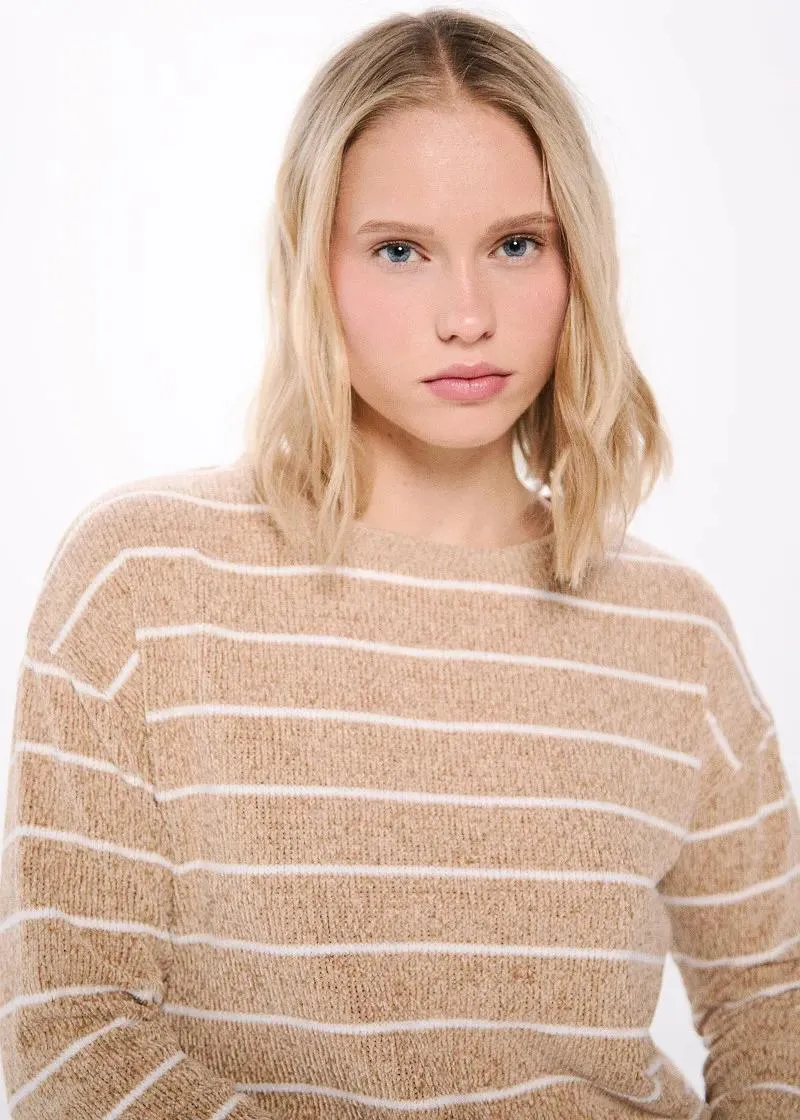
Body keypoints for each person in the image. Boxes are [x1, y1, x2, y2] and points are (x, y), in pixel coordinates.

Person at [1, 7, 797, 1119]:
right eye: (398, 251)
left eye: (516, 245)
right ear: (312, 268)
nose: (466, 316)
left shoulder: (674, 631)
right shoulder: (140, 583)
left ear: (578, 261)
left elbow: (773, 1001)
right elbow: (68, 1039)